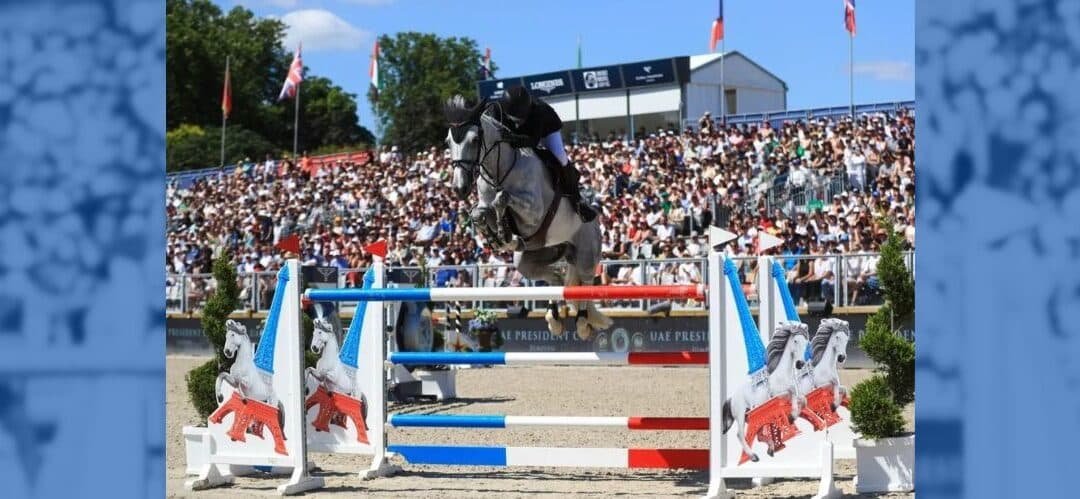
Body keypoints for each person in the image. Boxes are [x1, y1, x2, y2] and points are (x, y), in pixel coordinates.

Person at [502, 86, 597, 221]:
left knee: (560, 157)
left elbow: (533, 141)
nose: (518, 120)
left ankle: (577, 200)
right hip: (525, 132)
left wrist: (512, 138)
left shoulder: (538, 111)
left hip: (547, 131)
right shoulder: (505, 106)